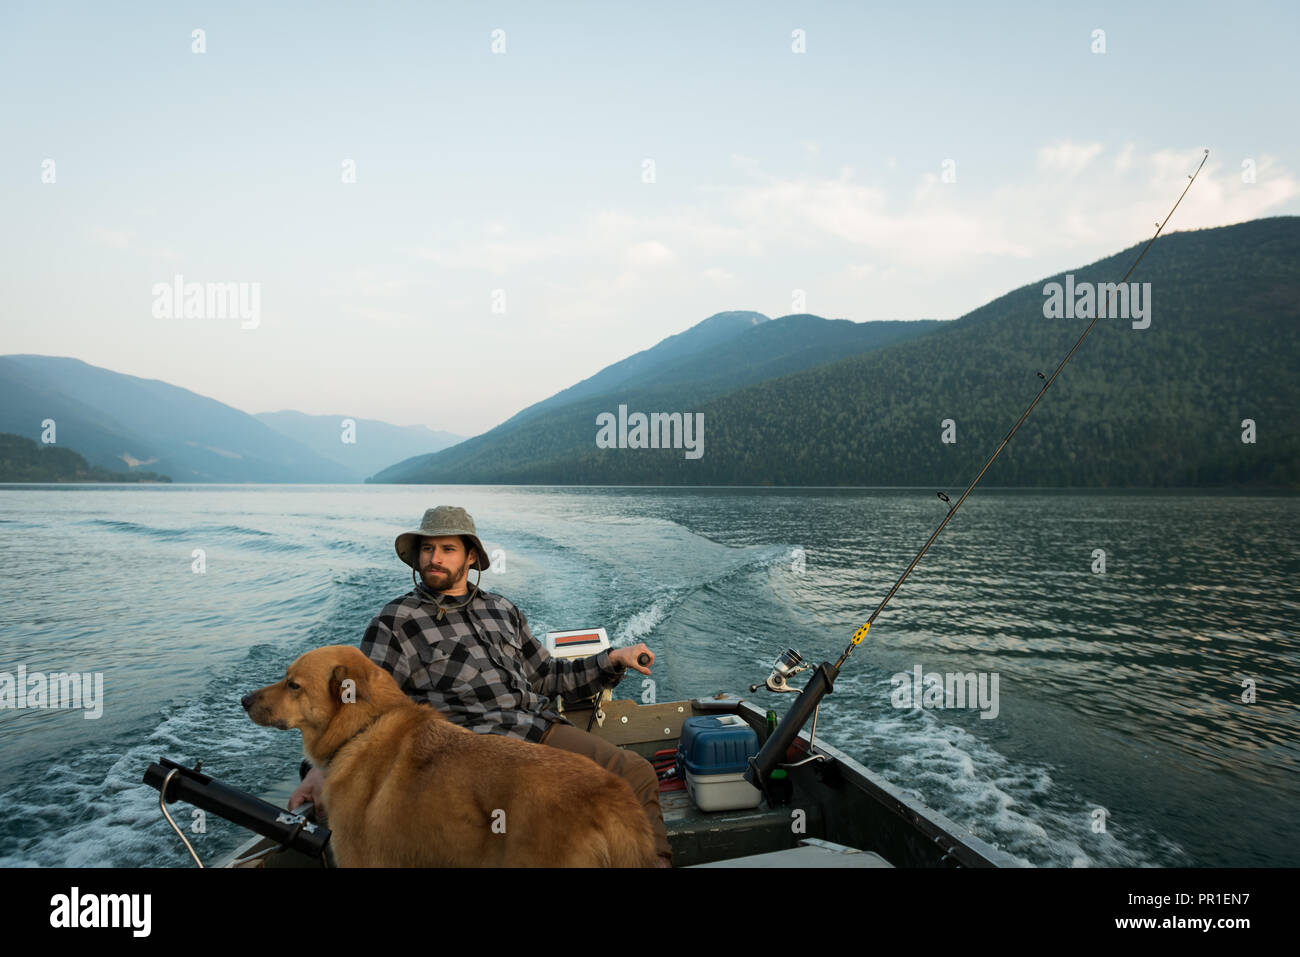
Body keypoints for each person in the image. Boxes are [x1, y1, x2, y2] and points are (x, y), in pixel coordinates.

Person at [291, 505, 673, 866]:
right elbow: (359, 706)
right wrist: (318, 770)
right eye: (427, 549)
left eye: (447, 549)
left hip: (537, 728)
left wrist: (611, 660)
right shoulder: (395, 621)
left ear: (471, 557)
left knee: (634, 773)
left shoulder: (503, 610)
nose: (434, 558)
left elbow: (546, 677)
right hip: (471, 749)